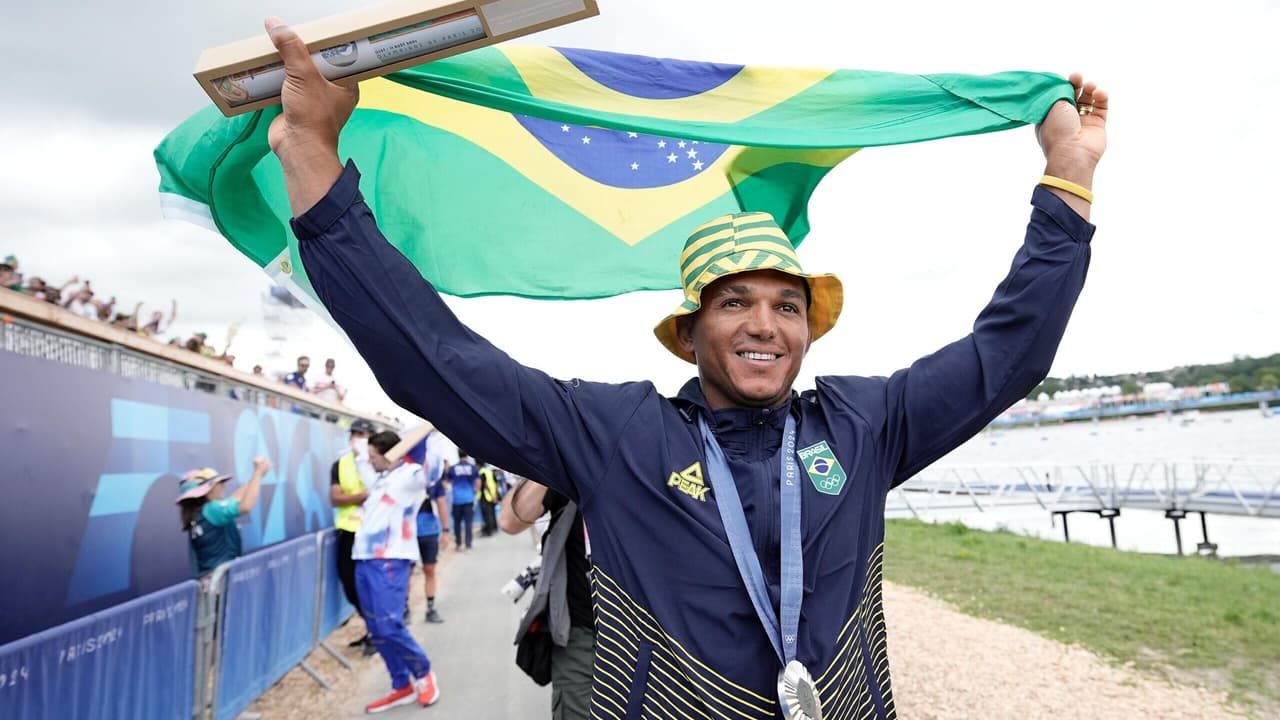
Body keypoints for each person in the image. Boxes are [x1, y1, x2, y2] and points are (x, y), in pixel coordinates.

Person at [264, 17, 1104, 718]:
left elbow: (1009, 353)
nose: (765, 325)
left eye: (786, 305)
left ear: (809, 331)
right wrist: (312, 155)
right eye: (735, 303)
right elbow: (436, 363)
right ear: (690, 331)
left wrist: (1067, 176)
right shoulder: (616, 432)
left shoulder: (864, 424)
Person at [354, 430, 440, 712]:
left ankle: (424, 674)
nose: (370, 461)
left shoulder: (411, 475)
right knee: (377, 629)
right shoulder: (381, 478)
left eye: (374, 456)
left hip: (390, 559)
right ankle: (401, 684)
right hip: (364, 558)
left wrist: (432, 432)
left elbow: (434, 471)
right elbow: (359, 460)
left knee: (390, 624)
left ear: (390, 453)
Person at [501, 478, 594, 720]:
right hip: (581, 635)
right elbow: (510, 520)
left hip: (649, 635)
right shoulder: (569, 460)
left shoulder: (653, 452)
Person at [177, 457, 272, 575]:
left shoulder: (200, 512)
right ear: (208, 490)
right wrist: (258, 473)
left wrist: (258, 475)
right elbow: (246, 506)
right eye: (218, 483)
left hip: (210, 584)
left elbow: (234, 499)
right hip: (222, 584)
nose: (222, 486)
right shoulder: (213, 509)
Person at [329, 418, 376, 653]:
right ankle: (372, 629)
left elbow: (382, 492)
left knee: (372, 585)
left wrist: (367, 495)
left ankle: (378, 633)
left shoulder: (380, 462)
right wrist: (363, 496)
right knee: (350, 585)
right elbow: (335, 497)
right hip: (349, 531)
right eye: (355, 433)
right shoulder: (341, 463)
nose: (358, 438)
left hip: (373, 533)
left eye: (363, 434)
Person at [416, 456, 451, 623]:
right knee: (405, 573)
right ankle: (404, 609)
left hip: (429, 531)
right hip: (406, 535)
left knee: (429, 570)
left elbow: (442, 504)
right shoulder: (401, 477)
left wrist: (445, 531)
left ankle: (430, 608)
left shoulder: (433, 480)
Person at [444, 451, 479, 551]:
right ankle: (468, 545)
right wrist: (475, 493)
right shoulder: (473, 468)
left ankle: (458, 544)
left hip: (457, 500)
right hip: (469, 499)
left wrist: (451, 489)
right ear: (467, 456)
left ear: (458, 455)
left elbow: (445, 482)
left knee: (457, 523)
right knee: (468, 522)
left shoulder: (452, 468)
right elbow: (478, 482)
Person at [476, 461, 504, 537]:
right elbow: (496, 483)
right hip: (492, 495)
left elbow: (485, 485)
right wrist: (495, 494)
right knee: (492, 513)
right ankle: (494, 528)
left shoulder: (481, 472)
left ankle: (489, 531)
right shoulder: (490, 471)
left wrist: (491, 494)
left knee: (487, 514)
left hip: (485, 496)